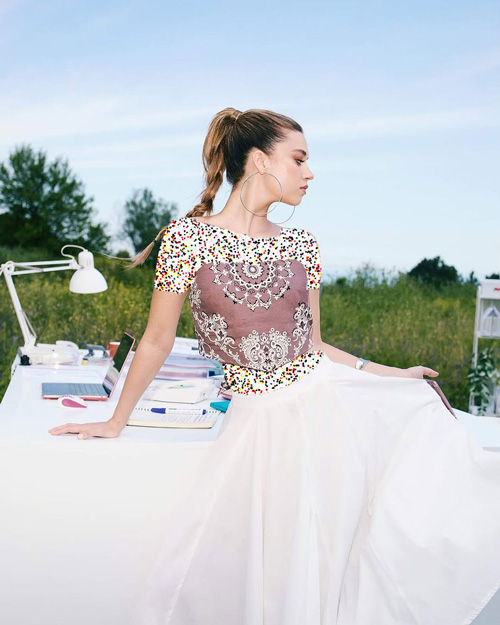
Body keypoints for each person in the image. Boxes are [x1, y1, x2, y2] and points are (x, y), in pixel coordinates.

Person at [49, 107, 500, 624]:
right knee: (257, 573)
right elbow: (156, 339)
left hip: (325, 411)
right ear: (261, 160)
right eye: (299, 159)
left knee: (333, 556)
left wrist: (392, 375)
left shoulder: (302, 245)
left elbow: (314, 346)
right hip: (258, 421)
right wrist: (116, 420)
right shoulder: (185, 239)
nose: (310, 173)